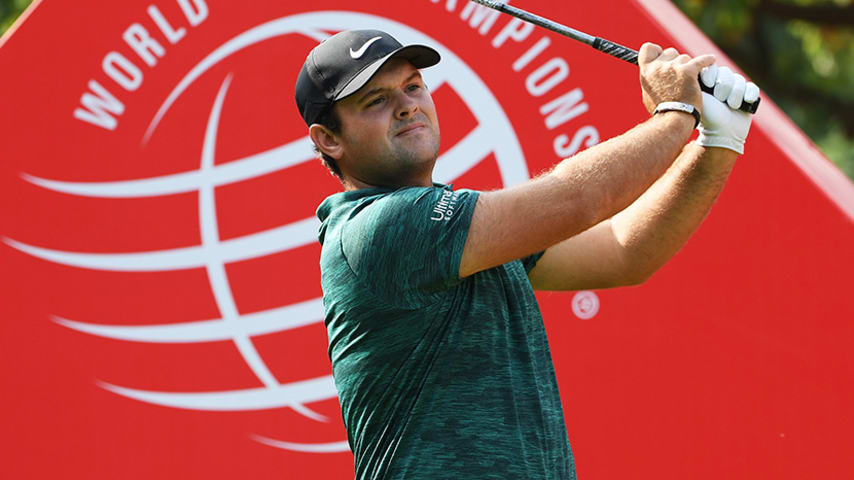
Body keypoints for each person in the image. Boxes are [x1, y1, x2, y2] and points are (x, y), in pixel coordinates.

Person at [294, 29, 758, 480]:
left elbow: (624, 251)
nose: (407, 105)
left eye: (413, 86)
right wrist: (675, 114)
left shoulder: (459, 236)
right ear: (329, 139)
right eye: (376, 100)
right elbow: (577, 200)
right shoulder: (379, 229)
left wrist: (718, 145)